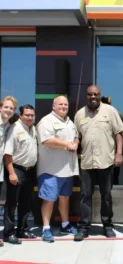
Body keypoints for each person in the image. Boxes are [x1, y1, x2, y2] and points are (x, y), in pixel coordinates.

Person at [74, 85, 123, 241]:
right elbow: (77, 136)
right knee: (85, 196)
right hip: (87, 162)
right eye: (90, 94)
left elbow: (119, 133)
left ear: (100, 95)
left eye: (96, 94)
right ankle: (83, 227)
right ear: (86, 96)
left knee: (106, 195)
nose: (93, 97)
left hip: (106, 161)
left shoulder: (110, 111)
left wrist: (118, 153)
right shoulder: (79, 114)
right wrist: (73, 145)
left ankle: (107, 225)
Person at [37, 96, 79, 243]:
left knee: (65, 198)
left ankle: (65, 224)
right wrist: (68, 144)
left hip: (67, 170)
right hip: (51, 170)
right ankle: (46, 228)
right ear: (53, 105)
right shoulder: (46, 121)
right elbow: (47, 140)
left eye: (65, 104)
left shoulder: (69, 121)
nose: (63, 106)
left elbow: (76, 137)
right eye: (60, 104)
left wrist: (75, 142)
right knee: (49, 200)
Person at [3, 104, 37, 244]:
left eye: (32, 115)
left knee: (25, 202)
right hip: (16, 170)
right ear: (21, 115)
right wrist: (11, 173)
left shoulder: (33, 129)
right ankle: (9, 233)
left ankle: (22, 229)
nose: (30, 118)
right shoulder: (15, 129)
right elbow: (7, 154)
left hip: (29, 171)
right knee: (12, 203)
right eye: (27, 115)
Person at [0, 96, 17, 246]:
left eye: (11, 108)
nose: (8, 110)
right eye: (6, 107)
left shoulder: (7, 125)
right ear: (0, 107)